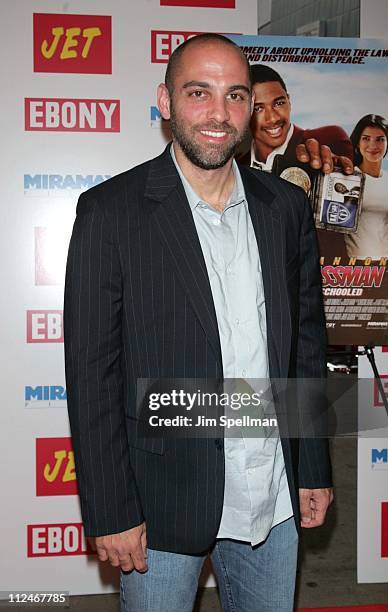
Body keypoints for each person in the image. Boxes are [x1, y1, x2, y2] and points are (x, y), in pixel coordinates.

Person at [64, 34, 333, 612]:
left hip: (272, 494)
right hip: (160, 502)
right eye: (198, 92)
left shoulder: (284, 208)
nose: (219, 113)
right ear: (165, 101)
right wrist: (112, 510)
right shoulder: (111, 211)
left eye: (236, 95)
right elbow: (92, 376)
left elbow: (305, 345)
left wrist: (311, 464)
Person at [239, 64, 353, 176]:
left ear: (289, 101)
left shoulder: (328, 138)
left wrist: (334, 170)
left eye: (279, 103)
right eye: (258, 108)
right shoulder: (235, 165)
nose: (273, 118)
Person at [344, 114, 388, 259]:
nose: (373, 145)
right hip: (358, 269)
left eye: (380, 139)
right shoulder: (347, 178)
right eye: (366, 138)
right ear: (357, 142)